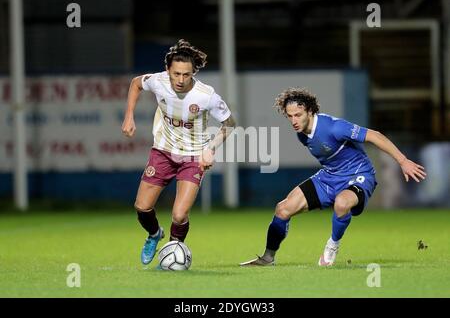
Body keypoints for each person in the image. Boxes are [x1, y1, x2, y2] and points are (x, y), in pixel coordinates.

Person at [240, 87, 426, 267]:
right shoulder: (302, 135)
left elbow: (374, 135)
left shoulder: (334, 127)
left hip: (358, 175)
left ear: (310, 111)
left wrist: (403, 161)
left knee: (342, 203)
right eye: (289, 116)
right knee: (282, 209)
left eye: (298, 115)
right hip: (329, 177)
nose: (294, 120)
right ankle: (267, 258)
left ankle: (332, 245)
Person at [122, 39, 236, 265]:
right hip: (163, 152)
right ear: (168, 70)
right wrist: (129, 115)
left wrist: (210, 149)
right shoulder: (158, 81)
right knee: (142, 208)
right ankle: (155, 234)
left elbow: (230, 124)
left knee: (179, 215)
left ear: (193, 72)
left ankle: (174, 252)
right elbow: (136, 83)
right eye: (176, 74)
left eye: (186, 74)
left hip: (193, 157)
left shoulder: (206, 96)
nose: (181, 80)